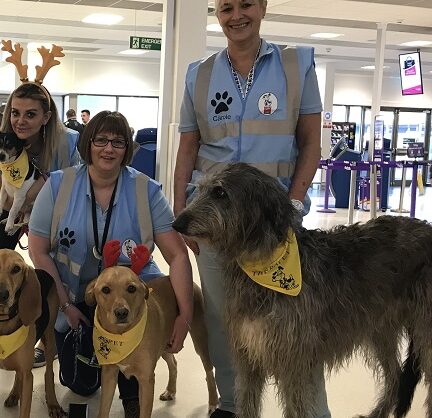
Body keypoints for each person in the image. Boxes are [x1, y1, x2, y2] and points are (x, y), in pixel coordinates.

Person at [173, 1, 323, 417]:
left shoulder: (296, 66)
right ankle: (234, 404)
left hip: (273, 225)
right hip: (214, 225)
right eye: (225, 8)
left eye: (245, 5)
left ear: (262, 7)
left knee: (296, 324)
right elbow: (188, 146)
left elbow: (311, 142)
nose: (236, 15)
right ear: (216, 14)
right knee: (224, 319)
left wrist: (294, 202)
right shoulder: (199, 74)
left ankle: (311, 410)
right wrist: (182, 210)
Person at [28, 111, 194, 417]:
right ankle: (95, 364)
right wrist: (65, 306)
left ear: (127, 149)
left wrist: (184, 315)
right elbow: (38, 252)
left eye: (118, 142)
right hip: (77, 295)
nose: (108, 148)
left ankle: (132, 391)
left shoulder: (147, 191)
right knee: (80, 382)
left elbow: (178, 255)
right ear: (88, 144)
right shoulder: (56, 187)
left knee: (135, 364)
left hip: (131, 297)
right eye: (101, 140)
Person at [0, 83, 80, 258]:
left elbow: (70, 192)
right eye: (15, 113)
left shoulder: (66, 143)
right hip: (14, 206)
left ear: (46, 117)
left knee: (61, 261)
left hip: (55, 211)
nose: (20, 121)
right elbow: (4, 200)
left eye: (30, 114)